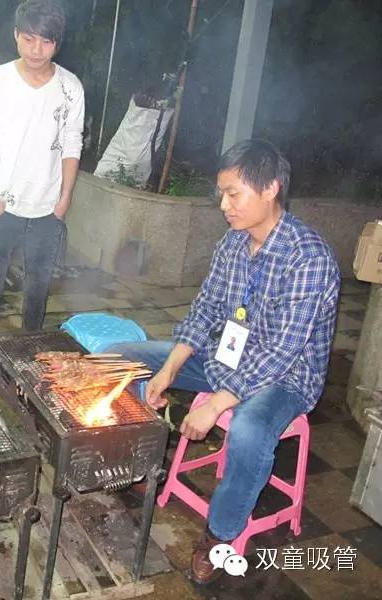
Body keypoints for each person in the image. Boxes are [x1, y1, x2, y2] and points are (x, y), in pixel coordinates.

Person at [108, 139, 341, 584]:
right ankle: (142, 463)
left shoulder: (308, 257)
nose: (223, 205)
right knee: (122, 357)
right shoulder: (233, 243)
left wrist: (215, 405)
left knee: (250, 431)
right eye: (222, 194)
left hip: (286, 378)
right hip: (227, 359)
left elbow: (281, 352)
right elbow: (205, 312)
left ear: (270, 188)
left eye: (234, 194)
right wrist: (168, 370)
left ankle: (219, 535)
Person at [0, 0, 84, 347]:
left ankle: (28, 355)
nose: (37, 50)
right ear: (16, 35)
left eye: (46, 41)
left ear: (57, 43)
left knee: (38, 290)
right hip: (2, 203)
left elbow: (72, 144)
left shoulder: (70, 87)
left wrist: (64, 199)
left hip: (47, 209)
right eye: (29, 39)